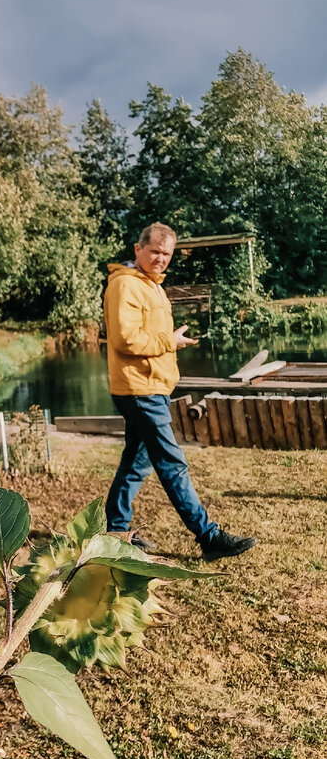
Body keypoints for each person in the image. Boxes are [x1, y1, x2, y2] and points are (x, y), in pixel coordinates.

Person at [103, 222, 256, 561]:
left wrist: (172, 342)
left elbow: (148, 337)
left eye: (167, 254)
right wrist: (167, 341)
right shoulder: (126, 285)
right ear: (137, 249)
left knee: (136, 461)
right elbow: (124, 340)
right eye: (155, 251)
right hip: (138, 388)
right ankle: (209, 536)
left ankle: (115, 532)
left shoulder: (151, 285)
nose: (161, 259)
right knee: (172, 463)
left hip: (152, 386)